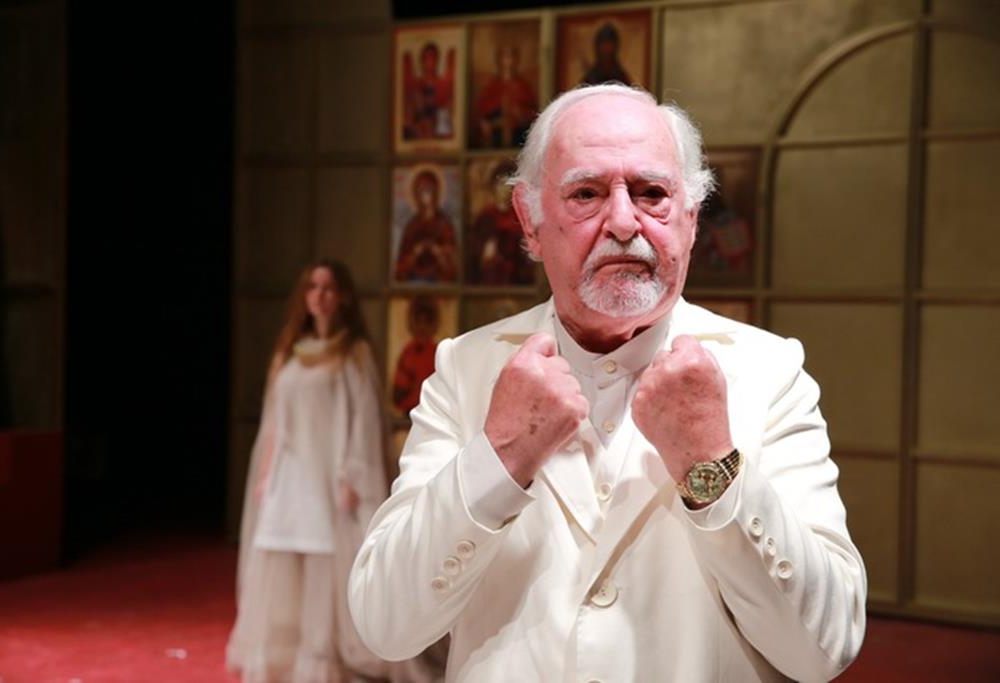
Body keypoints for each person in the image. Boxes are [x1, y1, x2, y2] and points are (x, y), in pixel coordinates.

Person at [348, 84, 866, 682]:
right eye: (587, 194)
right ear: (530, 221)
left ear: (691, 219)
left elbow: (823, 650)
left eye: (652, 194)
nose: (623, 222)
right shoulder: (464, 368)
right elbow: (386, 625)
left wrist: (711, 465)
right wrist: (500, 456)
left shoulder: (771, 371)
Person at [228, 260, 391, 683]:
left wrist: (353, 475)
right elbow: (274, 421)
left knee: (324, 568)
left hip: (328, 479)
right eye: (312, 287)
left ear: (343, 296)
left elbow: (364, 420)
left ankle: (319, 658)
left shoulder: (353, 353)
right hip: (289, 477)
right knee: (281, 563)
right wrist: (266, 474)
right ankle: (285, 653)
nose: (319, 296)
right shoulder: (290, 352)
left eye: (328, 287)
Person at [466, 160, 535, 286]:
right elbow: (474, 253)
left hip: (515, 280)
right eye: (500, 184)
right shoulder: (485, 217)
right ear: (494, 186)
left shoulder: (519, 217)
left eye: (508, 184)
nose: (504, 189)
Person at [394, 169, 458, 283]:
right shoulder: (412, 224)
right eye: (423, 192)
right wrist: (415, 252)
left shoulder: (444, 223)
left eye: (430, 191)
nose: (427, 196)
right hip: (415, 277)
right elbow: (402, 261)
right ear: (417, 194)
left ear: (436, 192)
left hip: (438, 278)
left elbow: (452, 255)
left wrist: (439, 251)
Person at [472, 44, 537, 149]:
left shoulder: (523, 86)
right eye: (505, 57)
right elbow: (482, 113)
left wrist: (520, 113)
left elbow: (532, 114)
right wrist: (486, 123)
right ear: (499, 60)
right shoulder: (492, 86)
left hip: (518, 136)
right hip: (495, 136)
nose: (508, 61)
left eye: (511, 57)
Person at [392, 294, 441, 415]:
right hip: (410, 413)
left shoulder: (438, 353)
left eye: (427, 321)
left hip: (433, 414)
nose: (422, 327)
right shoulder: (408, 353)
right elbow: (397, 394)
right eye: (419, 321)